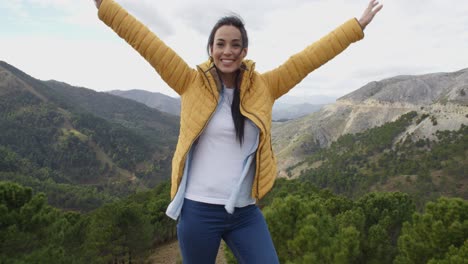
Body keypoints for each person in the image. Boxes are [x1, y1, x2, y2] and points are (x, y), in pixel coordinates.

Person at [93, 0, 382, 263]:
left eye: (235, 45)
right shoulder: (189, 82)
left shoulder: (265, 87)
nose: (227, 51)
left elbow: (307, 60)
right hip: (198, 211)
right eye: (220, 44)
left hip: (244, 212)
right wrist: (105, 6)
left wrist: (355, 26)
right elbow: (146, 42)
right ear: (211, 49)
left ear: (245, 51)